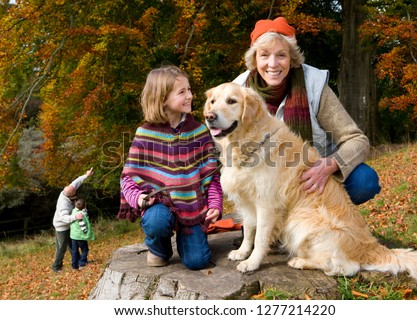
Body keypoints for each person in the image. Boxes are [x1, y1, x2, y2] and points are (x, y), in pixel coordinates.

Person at [233, 17, 381, 205]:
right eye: (264, 55)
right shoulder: (237, 92)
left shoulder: (313, 84)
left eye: (281, 55)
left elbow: (357, 141)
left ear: (292, 58)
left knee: (364, 181)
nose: (273, 64)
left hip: (315, 175)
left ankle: (331, 211)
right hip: (266, 185)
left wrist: (328, 166)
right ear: (254, 59)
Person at [118, 65, 223, 270]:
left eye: (189, 89)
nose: (190, 96)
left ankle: (189, 239)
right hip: (158, 204)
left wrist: (215, 204)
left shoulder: (200, 131)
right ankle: (159, 247)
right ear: (162, 98)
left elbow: (211, 175)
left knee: (197, 262)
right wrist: (138, 199)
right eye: (182, 92)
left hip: (193, 207)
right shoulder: (146, 133)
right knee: (157, 221)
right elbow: (128, 177)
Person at [51, 167, 94, 272]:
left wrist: (86, 175)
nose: (76, 195)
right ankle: (56, 267)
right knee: (62, 247)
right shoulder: (63, 204)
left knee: (72, 245)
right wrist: (75, 217)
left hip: (71, 224)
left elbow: (76, 182)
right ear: (69, 196)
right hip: (62, 226)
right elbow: (64, 218)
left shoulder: (69, 190)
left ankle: (80, 261)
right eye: (74, 195)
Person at [70, 198, 95, 270]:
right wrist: (87, 234)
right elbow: (83, 226)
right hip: (80, 236)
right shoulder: (82, 215)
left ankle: (74, 266)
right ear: (84, 206)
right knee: (85, 249)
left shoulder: (73, 211)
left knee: (74, 251)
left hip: (73, 236)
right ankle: (82, 263)